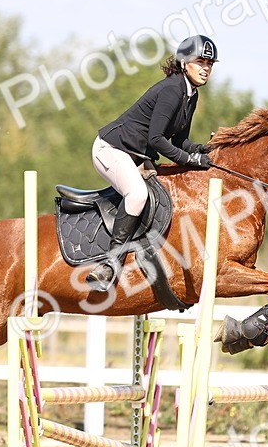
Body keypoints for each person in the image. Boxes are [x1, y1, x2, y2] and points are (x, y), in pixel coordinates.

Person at [85, 35, 218, 291]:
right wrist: (190, 159)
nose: (206, 68)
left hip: (134, 155)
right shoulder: (171, 89)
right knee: (136, 194)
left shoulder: (190, 94)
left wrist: (204, 149)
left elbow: (179, 140)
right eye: (200, 61)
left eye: (210, 64)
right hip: (111, 149)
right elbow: (157, 139)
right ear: (184, 63)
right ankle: (109, 263)